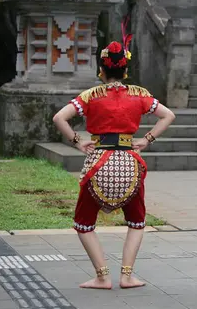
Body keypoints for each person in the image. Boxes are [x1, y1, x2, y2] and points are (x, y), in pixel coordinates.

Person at [52, 19, 175, 290]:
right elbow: (168, 115)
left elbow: (59, 117)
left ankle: (102, 275)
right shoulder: (139, 95)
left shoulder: (91, 95)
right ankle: (127, 275)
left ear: (101, 70)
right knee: (137, 221)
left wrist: (77, 141)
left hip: (99, 162)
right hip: (130, 163)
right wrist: (147, 139)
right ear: (126, 68)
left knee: (84, 223)